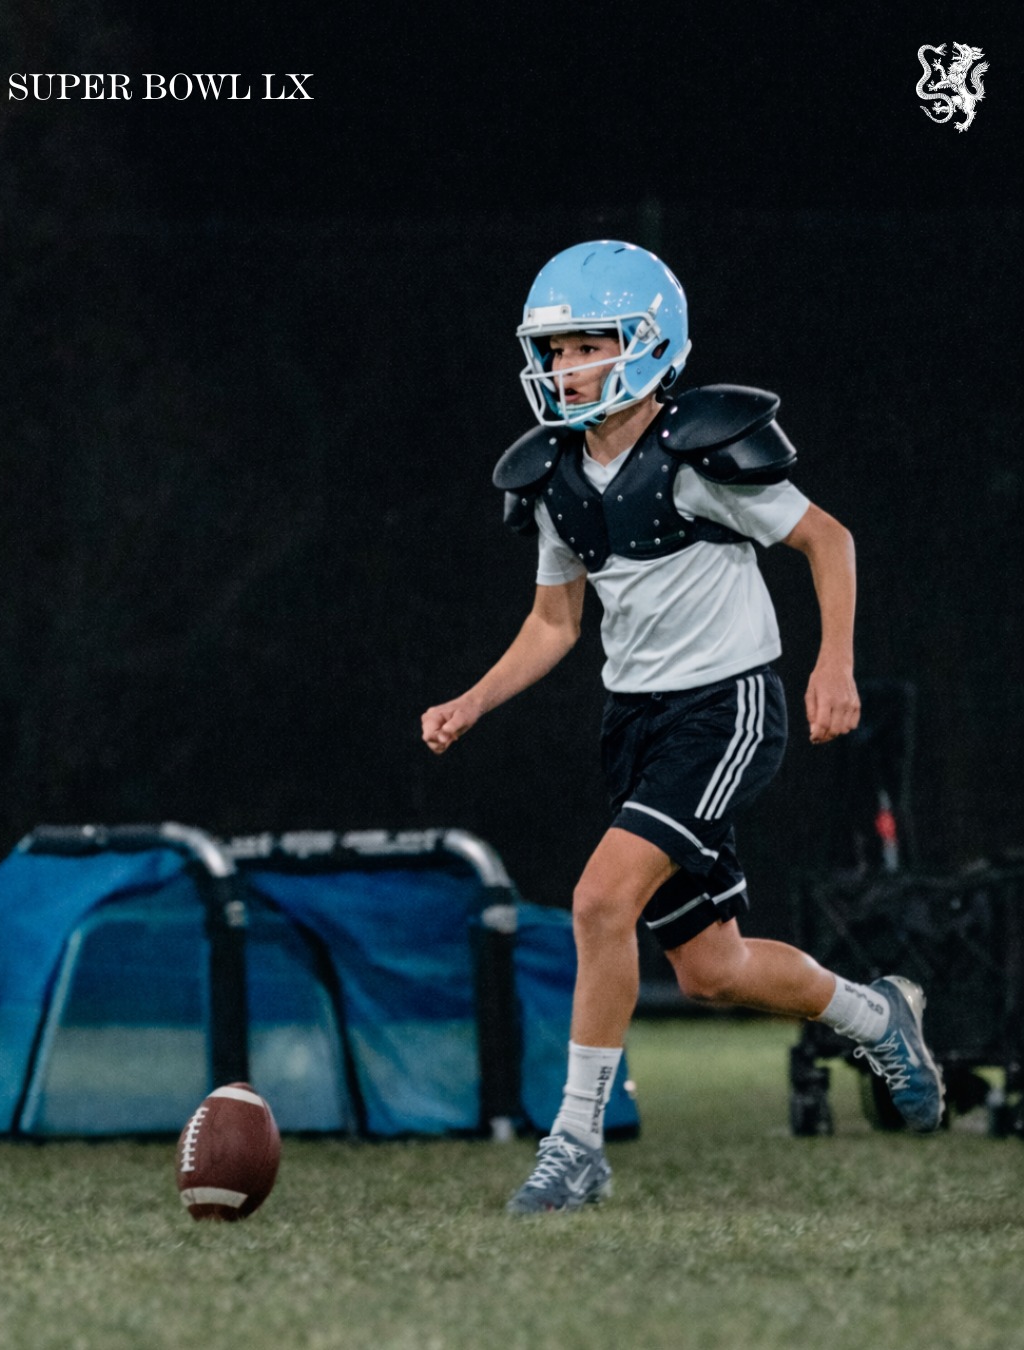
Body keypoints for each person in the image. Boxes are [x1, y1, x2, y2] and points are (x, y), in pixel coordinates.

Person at [421, 240, 943, 1214]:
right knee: (711, 970)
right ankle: (878, 1017)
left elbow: (828, 538)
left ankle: (575, 1142)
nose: (566, 367)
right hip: (636, 724)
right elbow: (553, 624)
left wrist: (833, 663)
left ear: (650, 344)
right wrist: (473, 700)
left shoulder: (700, 454)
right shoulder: (553, 477)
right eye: (556, 349)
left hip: (726, 708)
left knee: (598, 899)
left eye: (588, 346)